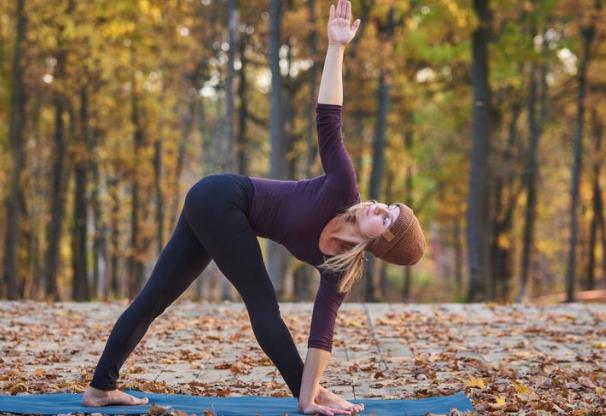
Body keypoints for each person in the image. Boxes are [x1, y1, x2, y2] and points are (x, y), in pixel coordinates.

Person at [82, 1, 425, 414]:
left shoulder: (340, 269)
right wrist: (337, 48)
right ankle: (307, 396)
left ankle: (101, 387)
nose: (376, 206)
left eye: (385, 217)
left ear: (380, 243)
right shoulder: (343, 187)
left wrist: (313, 390)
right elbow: (329, 117)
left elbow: (322, 335)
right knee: (262, 300)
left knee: (156, 296)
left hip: (219, 213)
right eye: (385, 205)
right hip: (221, 196)